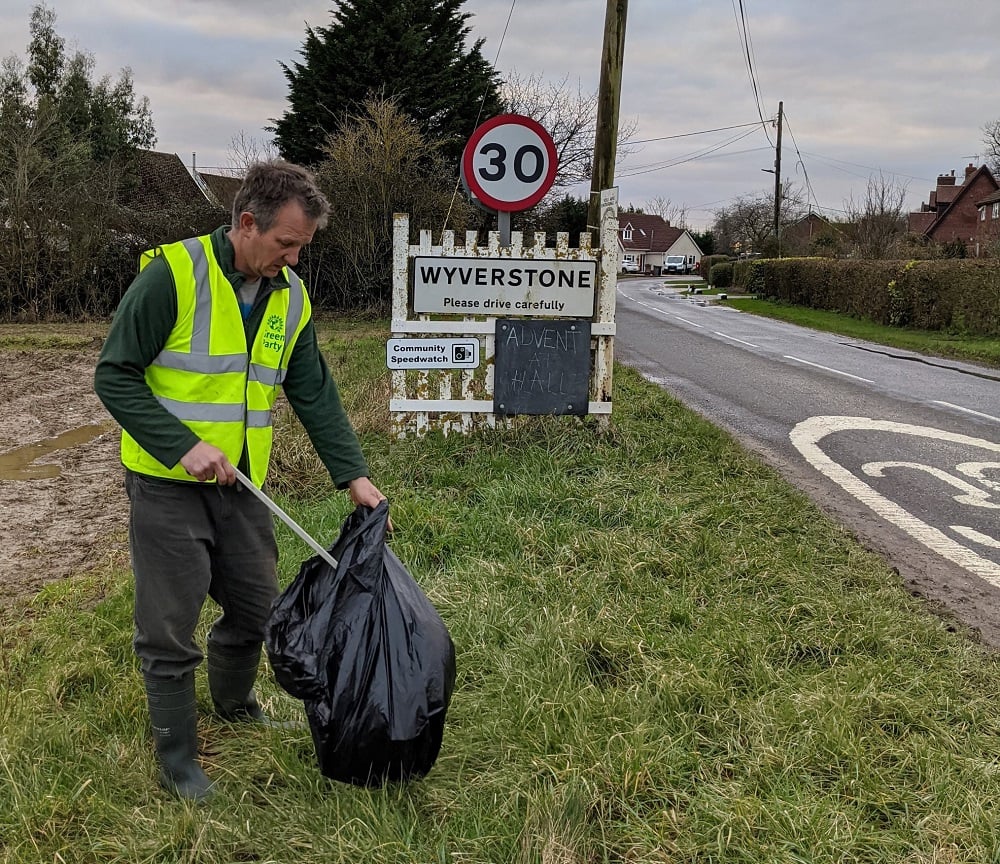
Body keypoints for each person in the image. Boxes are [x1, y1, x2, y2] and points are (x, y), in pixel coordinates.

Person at [94, 159, 387, 801]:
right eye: (287, 244)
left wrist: (354, 477)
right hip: (167, 485)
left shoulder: (290, 296)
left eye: (303, 248)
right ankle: (178, 756)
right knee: (168, 628)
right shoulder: (173, 276)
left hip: (242, 485)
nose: (294, 260)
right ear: (246, 224)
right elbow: (114, 374)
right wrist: (181, 446)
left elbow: (313, 390)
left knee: (258, 608)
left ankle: (234, 705)